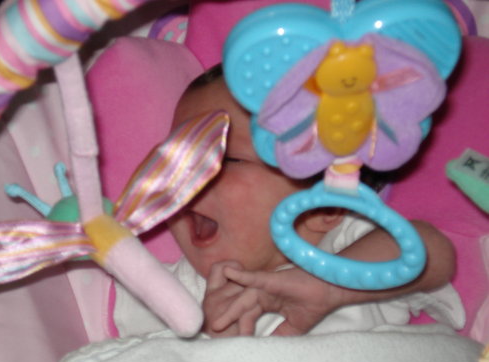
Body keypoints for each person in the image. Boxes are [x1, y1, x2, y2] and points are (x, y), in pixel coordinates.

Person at [112, 66, 464, 339]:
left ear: (324, 207)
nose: (188, 179)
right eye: (176, 162)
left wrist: (329, 286)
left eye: (224, 159)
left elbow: (429, 252)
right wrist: (208, 341)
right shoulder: (172, 290)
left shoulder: (347, 249)